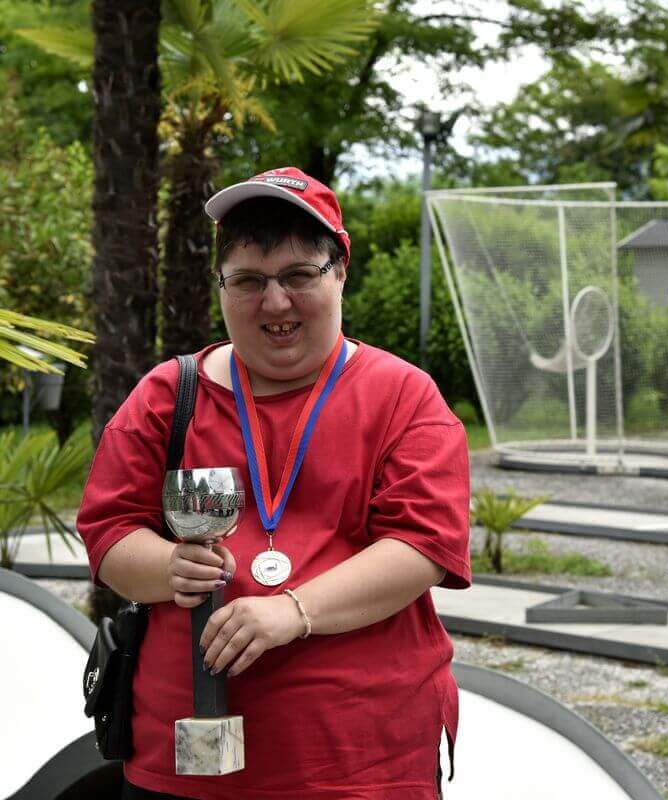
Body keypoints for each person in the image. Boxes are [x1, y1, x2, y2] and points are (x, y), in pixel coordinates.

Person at [76, 166, 471, 800]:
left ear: (341, 270)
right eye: (249, 281)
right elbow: (109, 531)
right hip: (187, 761)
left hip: (361, 765)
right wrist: (168, 567)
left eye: (298, 276)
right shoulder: (167, 397)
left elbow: (422, 547)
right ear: (221, 285)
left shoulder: (402, 396)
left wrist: (294, 611)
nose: (276, 302)